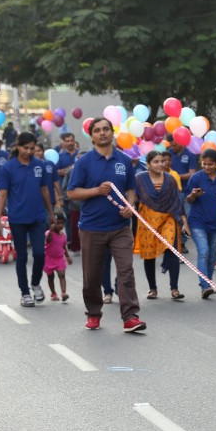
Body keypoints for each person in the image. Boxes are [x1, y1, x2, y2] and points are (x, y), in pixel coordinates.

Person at [67, 117, 145, 333]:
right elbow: (72, 192)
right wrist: (96, 191)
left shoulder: (124, 161)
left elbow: (131, 189)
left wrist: (130, 205)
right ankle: (93, 313)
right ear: (91, 136)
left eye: (106, 129)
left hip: (120, 227)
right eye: (98, 130)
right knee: (91, 276)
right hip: (92, 228)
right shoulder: (83, 162)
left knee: (126, 271)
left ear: (112, 133)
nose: (102, 133)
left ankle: (130, 316)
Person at [0, 132, 53, 307]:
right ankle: (25, 292)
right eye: (25, 148)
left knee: (39, 253)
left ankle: (35, 283)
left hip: (37, 216)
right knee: (21, 256)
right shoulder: (8, 167)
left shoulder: (39, 165)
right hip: (17, 218)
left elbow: (44, 190)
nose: (29, 152)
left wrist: (51, 213)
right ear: (17, 147)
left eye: (32, 148)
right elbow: (3, 193)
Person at [135, 149, 187, 300]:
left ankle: (174, 289)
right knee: (149, 255)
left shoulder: (170, 179)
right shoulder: (139, 178)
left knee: (172, 251)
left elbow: (177, 201)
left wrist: (184, 221)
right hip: (147, 220)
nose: (160, 164)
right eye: (156, 162)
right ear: (148, 164)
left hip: (167, 218)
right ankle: (152, 289)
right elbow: (133, 196)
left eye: (162, 161)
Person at [186, 148, 216, 299]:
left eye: (210, 164)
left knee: (212, 256)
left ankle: (208, 284)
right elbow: (188, 200)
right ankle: (205, 286)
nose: (206, 167)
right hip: (198, 221)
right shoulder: (196, 178)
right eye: (204, 164)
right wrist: (193, 195)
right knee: (204, 252)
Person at [56, 132, 81, 253]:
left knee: (79, 218)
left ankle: (80, 241)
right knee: (69, 219)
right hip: (66, 191)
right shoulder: (60, 157)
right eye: (67, 141)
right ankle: (70, 241)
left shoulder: (80, 155)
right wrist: (70, 169)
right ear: (63, 142)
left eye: (72, 140)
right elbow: (57, 173)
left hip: (79, 193)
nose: (70, 143)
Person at [43, 212, 73, 302]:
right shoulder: (48, 233)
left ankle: (63, 293)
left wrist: (67, 256)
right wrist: (51, 231)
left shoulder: (63, 235)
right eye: (58, 223)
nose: (60, 225)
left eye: (62, 223)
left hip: (60, 258)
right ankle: (53, 293)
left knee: (62, 274)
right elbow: (47, 240)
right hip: (49, 258)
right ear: (52, 224)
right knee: (50, 277)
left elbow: (63, 246)